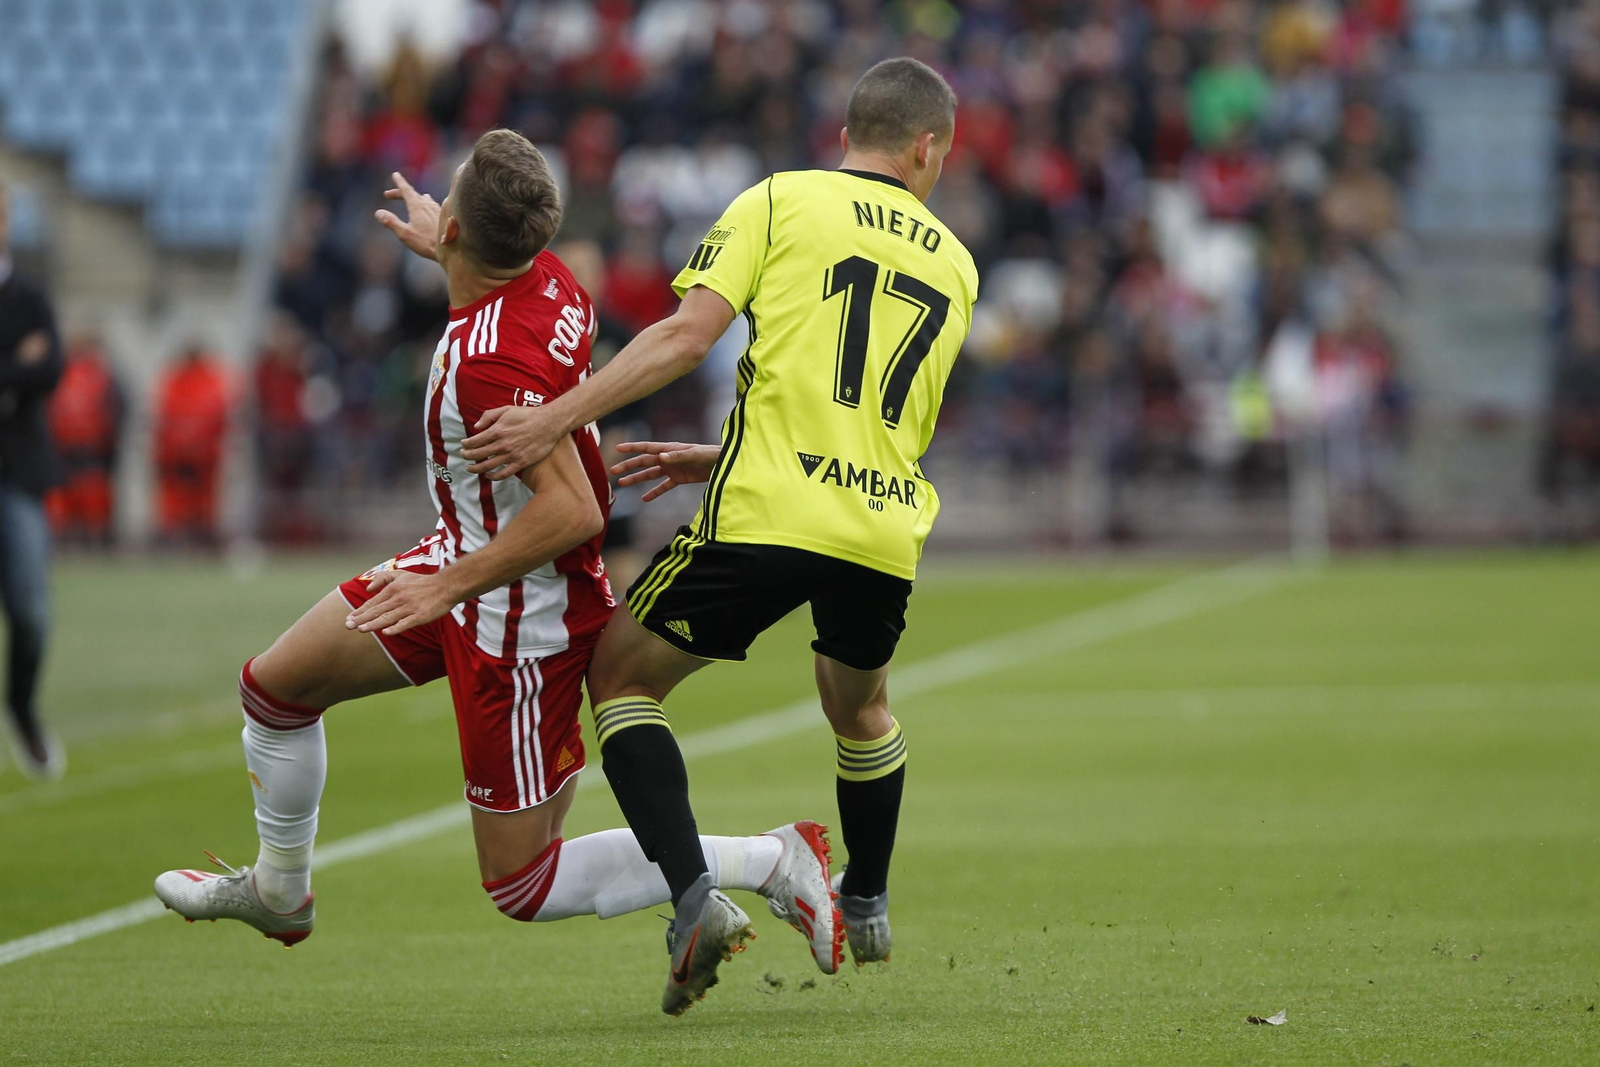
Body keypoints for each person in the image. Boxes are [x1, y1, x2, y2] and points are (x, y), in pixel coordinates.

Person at [152, 132, 837, 1014]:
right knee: (275, 689)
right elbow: (500, 266)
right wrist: (451, 235)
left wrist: (445, 587)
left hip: (518, 606)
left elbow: (574, 512)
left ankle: (774, 859)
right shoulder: (550, 277)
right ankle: (281, 893)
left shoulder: (480, 367)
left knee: (520, 882)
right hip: (461, 555)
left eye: (453, 205)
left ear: (459, 237)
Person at [458, 59, 979, 1006]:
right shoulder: (955, 261)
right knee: (857, 705)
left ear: (845, 135)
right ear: (926, 147)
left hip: (768, 513)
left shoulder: (782, 200)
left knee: (620, 678)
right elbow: (868, 417)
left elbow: (685, 336)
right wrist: (719, 451)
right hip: (880, 527)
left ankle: (696, 897)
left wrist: (552, 416)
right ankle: (865, 897)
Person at [0, 181, 66, 780]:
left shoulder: (27, 295)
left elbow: (49, 369)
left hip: (16, 473)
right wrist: (13, 364)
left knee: (30, 611)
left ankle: (20, 706)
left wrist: (25, 367)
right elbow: (29, 366)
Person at [47, 334, 125, 547]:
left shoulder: (101, 376)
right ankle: (75, 538)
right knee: (69, 498)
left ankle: (94, 538)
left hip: (92, 452)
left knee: (93, 499)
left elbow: (116, 412)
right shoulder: (65, 374)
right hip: (69, 449)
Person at [152, 344, 230, 546]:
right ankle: (177, 538)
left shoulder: (208, 380)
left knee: (202, 501)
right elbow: (165, 416)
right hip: (178, 453)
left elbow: (217, 415)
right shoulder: (177, 381)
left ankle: (201, 538)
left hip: (202, 454)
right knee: (178, 500)